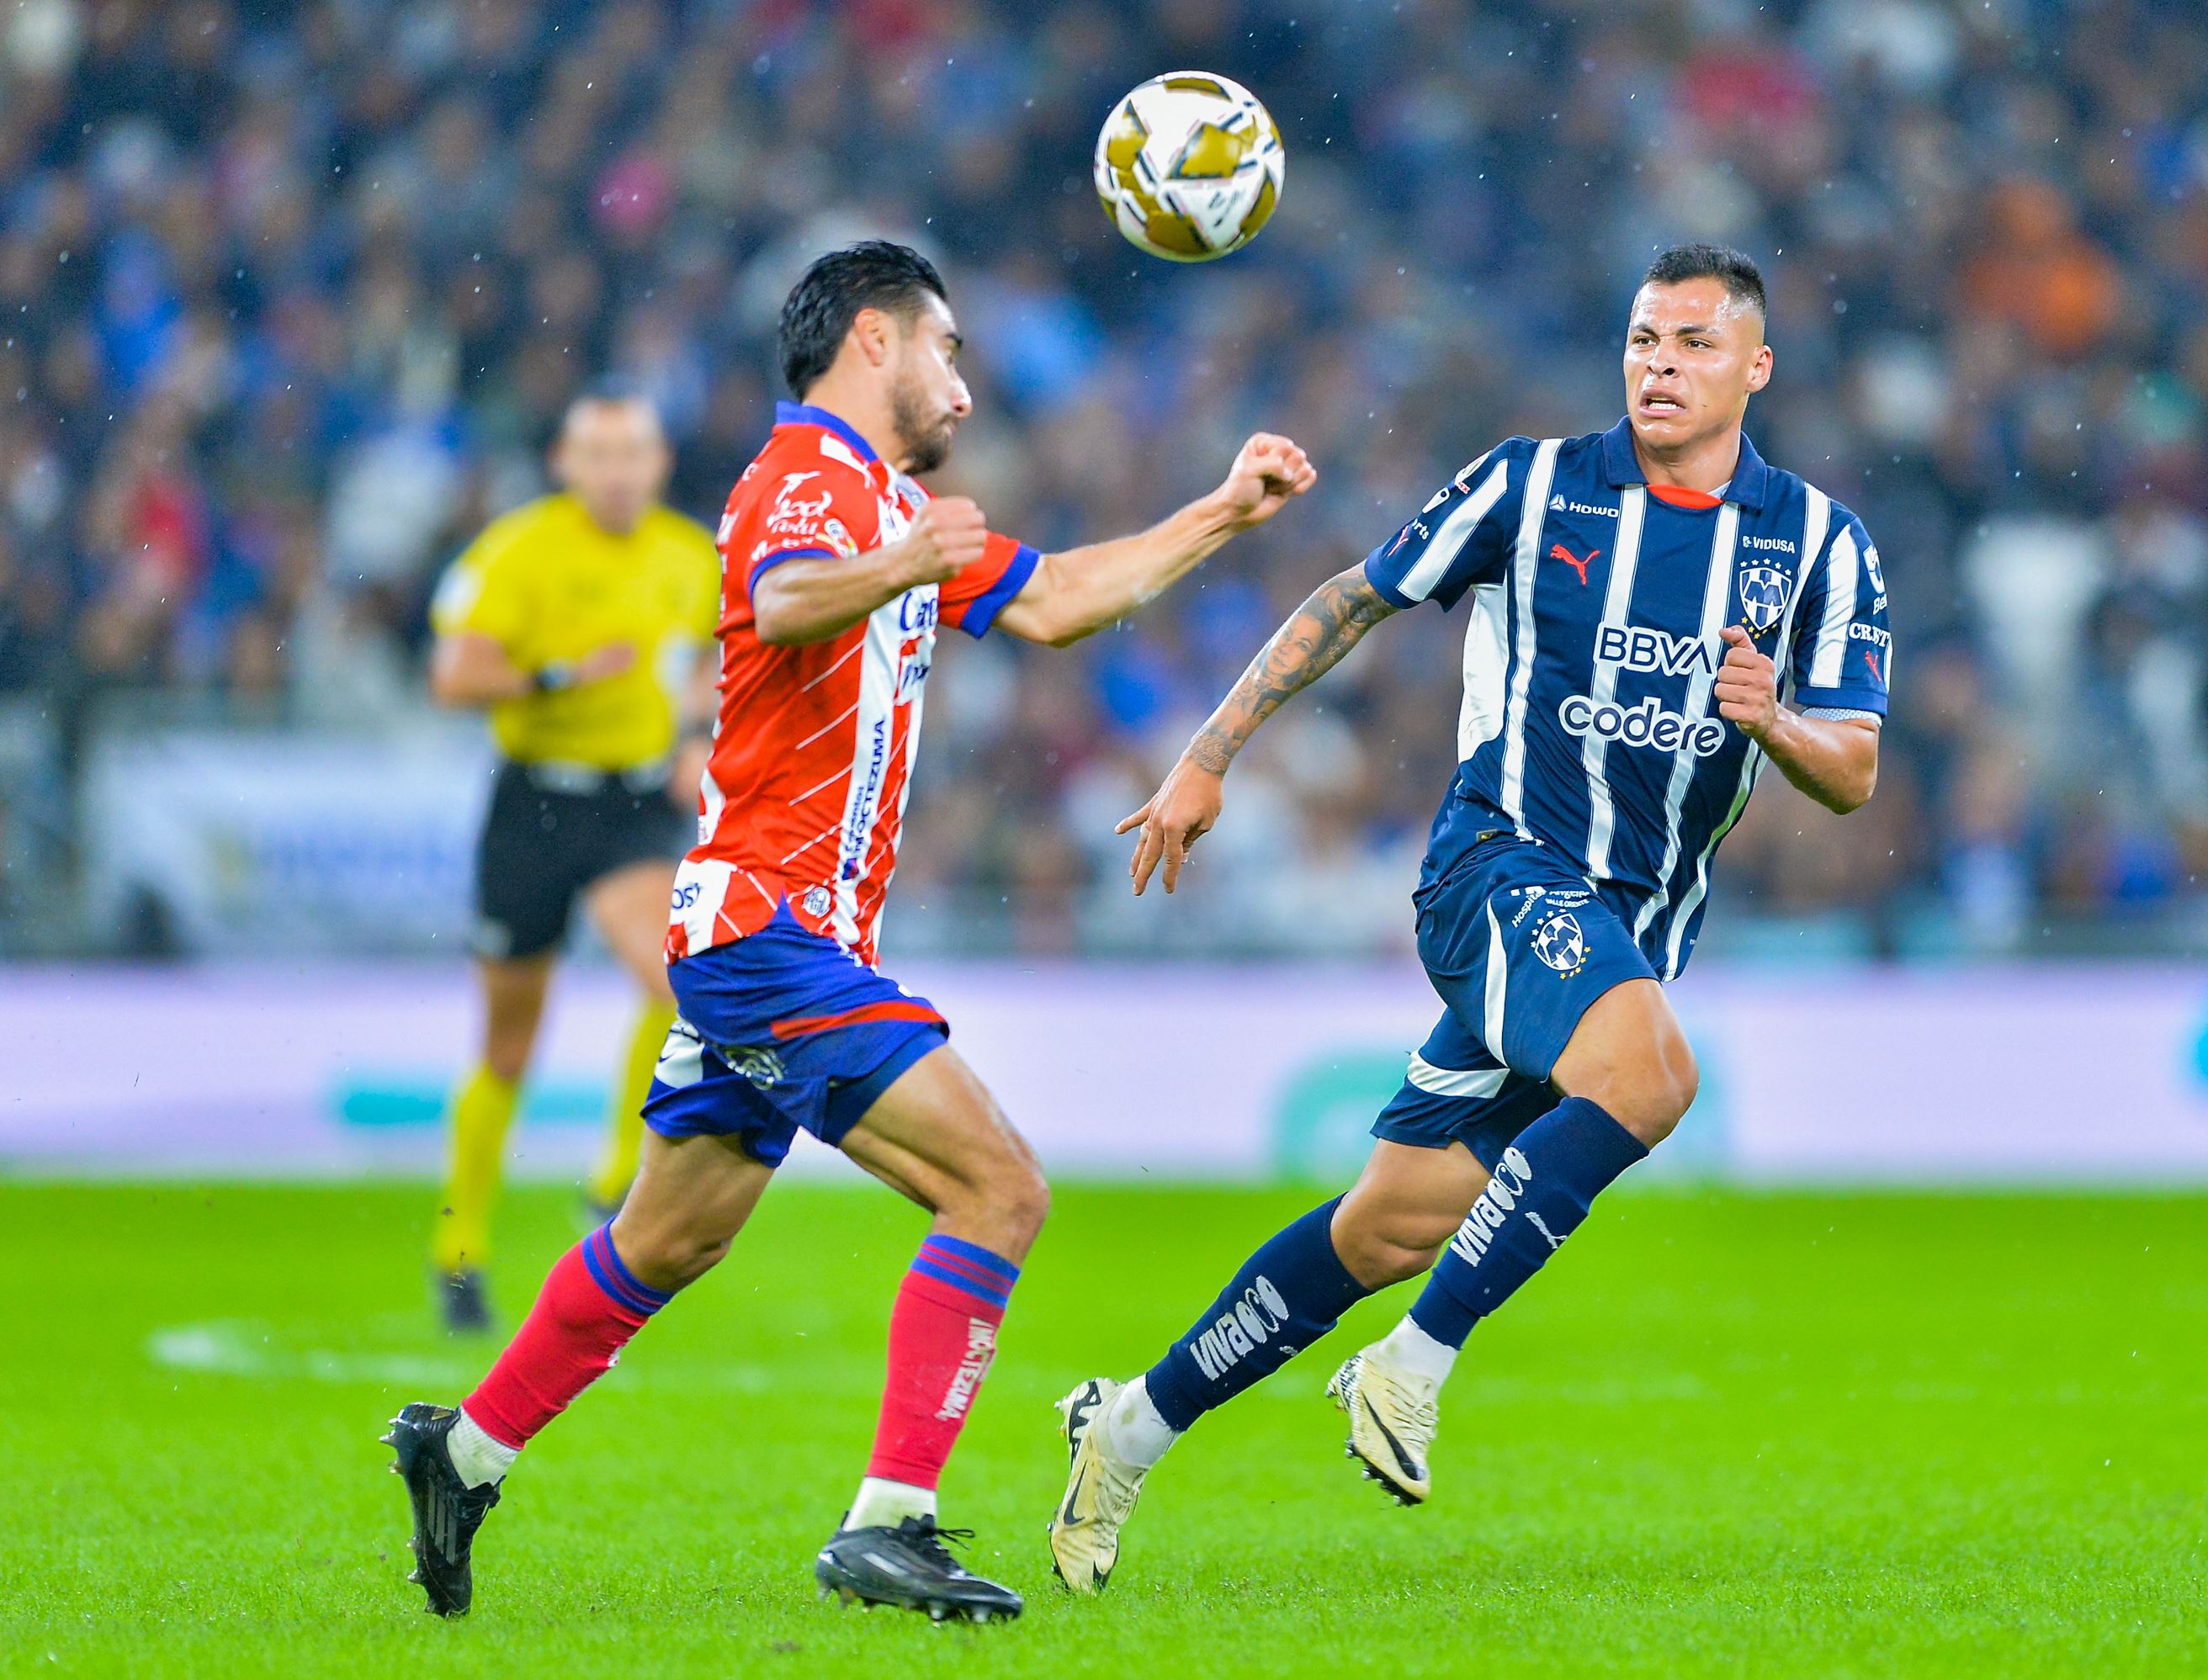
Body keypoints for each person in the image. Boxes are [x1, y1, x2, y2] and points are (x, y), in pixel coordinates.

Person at [384, 241, 1315, 1624]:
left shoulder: (891, 506)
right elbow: (773, 600)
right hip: (770, 929)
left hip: (775, 936)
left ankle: (461, 1451)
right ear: (875, 340)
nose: (967, 392)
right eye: (951, 353)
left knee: (667, 1241)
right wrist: (898, 560)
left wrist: (1223, 514)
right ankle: (893, 1521)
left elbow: (1059, 599)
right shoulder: (807, 478)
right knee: (998, 1186)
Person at [1048, 244, 1891, 1594]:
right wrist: (1209, 753)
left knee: (1387, 1225)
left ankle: (1126, 1429)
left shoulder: (1822, 547)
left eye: (1689, 342)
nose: (1658, 365)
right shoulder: (1532, 483)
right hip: (1494, 869)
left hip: (1618, 930)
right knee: (1655, 1075)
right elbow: (1352, 600)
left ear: (1756, 367)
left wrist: (1771, 717)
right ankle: (1409, 1366)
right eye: (1641, 339)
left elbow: (1849, 769)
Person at [424, 390, 719, 1332]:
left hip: (629, 806)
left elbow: (718, 659)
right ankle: (459, 1245)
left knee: (677, 978)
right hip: (533, 806)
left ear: (660, 461)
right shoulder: (520, 550)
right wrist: (557, 676)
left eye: (633, 451)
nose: (618, 470)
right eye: (600, 453)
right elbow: (454, 675)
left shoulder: (686, 553)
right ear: (564, 461)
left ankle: (610, 1185)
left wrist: (692, 735)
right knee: (509, 1040)